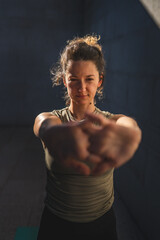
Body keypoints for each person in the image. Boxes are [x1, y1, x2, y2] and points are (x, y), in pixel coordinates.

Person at [33, 34, 142, 239]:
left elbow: (126, 123)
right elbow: (43, 124)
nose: (82, 88)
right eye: (74, 80)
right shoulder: (52, 118)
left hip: (101, 226)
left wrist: (127, 131)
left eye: (89, 79)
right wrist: (54, 133)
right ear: (64, 80)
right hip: (56, 225)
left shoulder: (110, 122)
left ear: (100, 81)